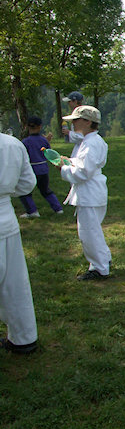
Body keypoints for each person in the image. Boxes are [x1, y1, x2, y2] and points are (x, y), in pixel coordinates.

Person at [57, 105, 112, 281]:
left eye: (76, 120)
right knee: (94, 230)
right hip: (93, 192)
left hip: (89, 193)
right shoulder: (92, 141)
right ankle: (104, 260)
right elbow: (85, 164)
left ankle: (100, 268)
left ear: (87, 122)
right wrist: (70, 161)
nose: (73, 123)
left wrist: (63, 168)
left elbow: (83, 172)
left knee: (88, 233)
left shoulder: (90, 143)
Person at [0, 132, 39, 354]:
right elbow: (27, 183)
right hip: (6, 217)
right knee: (14, 283)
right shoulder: (12, 144)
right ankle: (24, 337)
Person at [19, 116, 64, 218]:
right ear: (40, 127)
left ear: (27, 127)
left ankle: (32, 211)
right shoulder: (44, 140)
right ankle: (58, 209)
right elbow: (49, 154)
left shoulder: (25, 142)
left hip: (31, 170)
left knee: (25, 191)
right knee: (45, 190)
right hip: (43, 169)